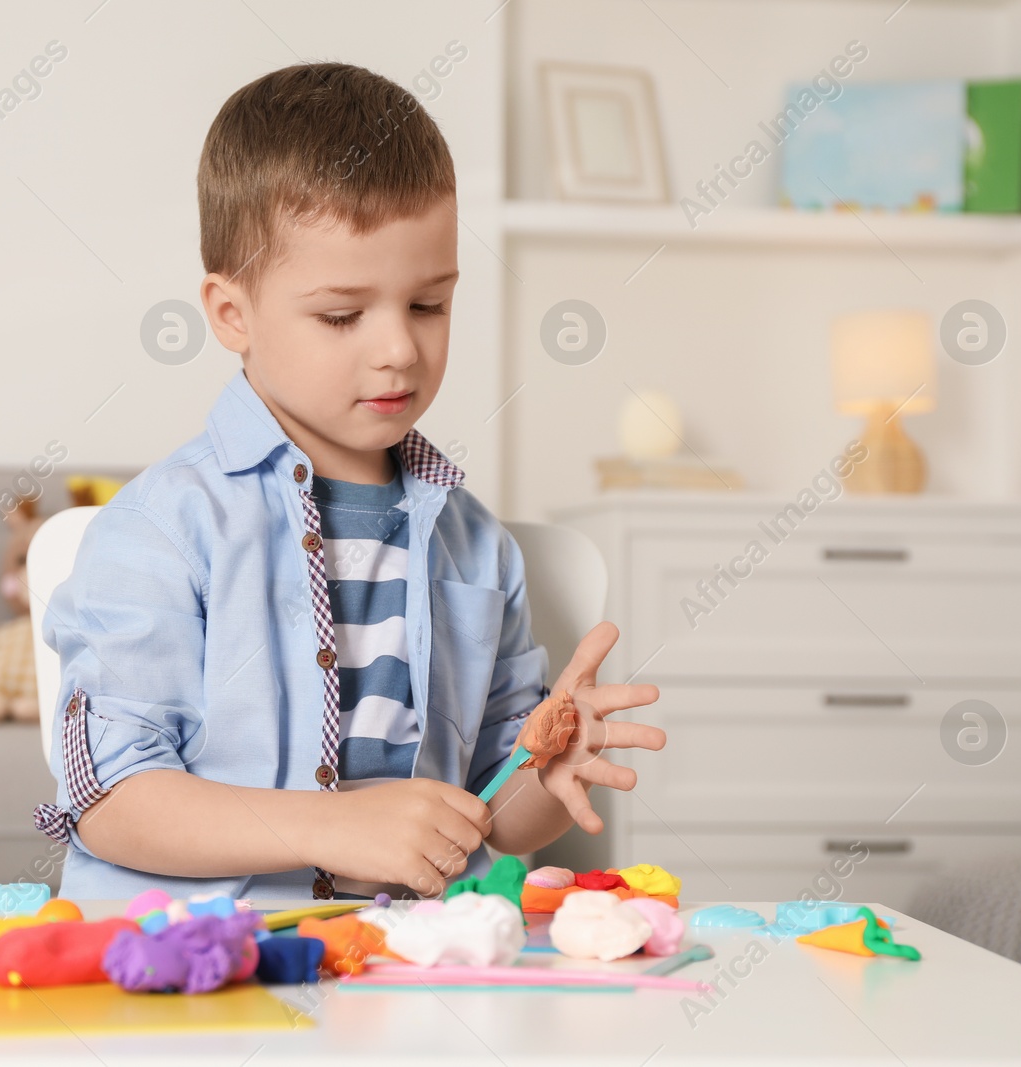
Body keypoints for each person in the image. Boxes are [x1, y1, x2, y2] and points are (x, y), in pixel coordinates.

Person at [35, 62, 664, 901]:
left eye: (429, 304)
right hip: (208, 978)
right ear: (232, 314)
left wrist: (546, 775)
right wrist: (328, 823)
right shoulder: (161, 529)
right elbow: (111, 797)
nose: (398, 348)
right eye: (341, 315)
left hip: (413, 969)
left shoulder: (475, 544)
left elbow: (490, 814)